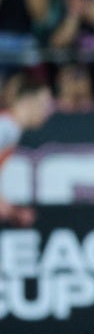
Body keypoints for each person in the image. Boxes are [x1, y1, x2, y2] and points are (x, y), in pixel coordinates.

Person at [0, 76, 52, 227]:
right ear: (28, 102)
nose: (48, 112)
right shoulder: (7, 127)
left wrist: (10, 210)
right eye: (44, 104)